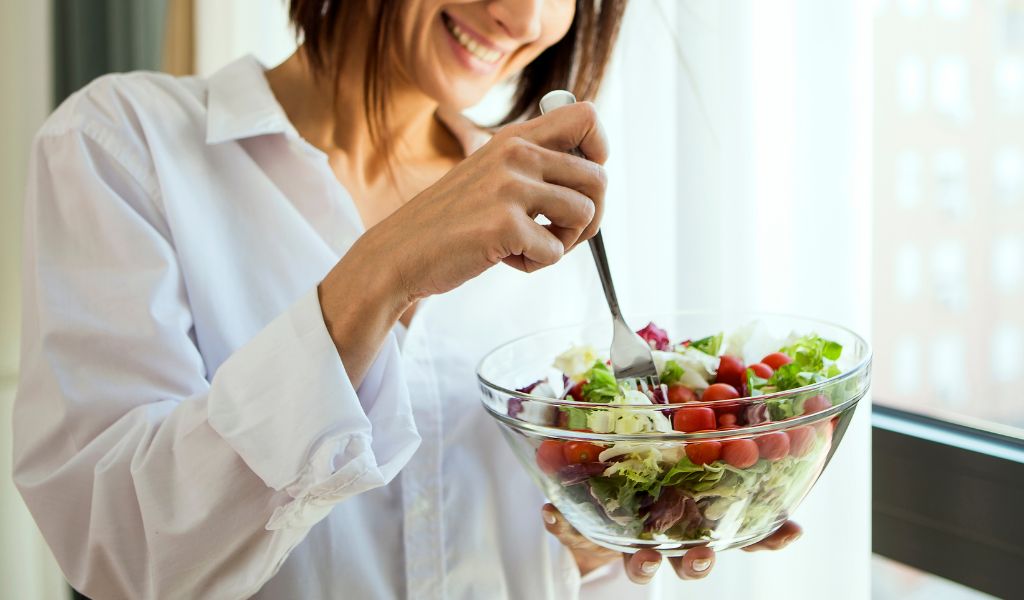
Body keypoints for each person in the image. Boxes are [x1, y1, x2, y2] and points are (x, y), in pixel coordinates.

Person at [13, 1, 800, 598]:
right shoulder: (122, 143)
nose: (523, 17)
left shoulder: (541, 210)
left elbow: (517, 548)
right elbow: (118, 547)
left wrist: (599, 537)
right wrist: (382, 269)